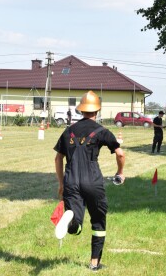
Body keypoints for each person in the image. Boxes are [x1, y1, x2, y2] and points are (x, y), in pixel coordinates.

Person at [54, 90, 125, 271]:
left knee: (76, 221)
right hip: (92, 180)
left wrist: (62, 184)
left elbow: (57, 159)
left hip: (71, 180)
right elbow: (120, 153)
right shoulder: (102, 131)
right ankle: (94, 263)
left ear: (81, 110)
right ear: (97, 111)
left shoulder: (68, 131)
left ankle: (72, 223)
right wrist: (120, 172)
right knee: (98, 221)